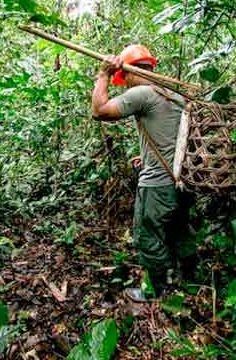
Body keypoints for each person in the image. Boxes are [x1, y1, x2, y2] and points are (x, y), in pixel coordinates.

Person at [91, 44, 196, 302]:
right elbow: (174, 137)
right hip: (182, 180)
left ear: (132, 71)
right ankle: (189, 281)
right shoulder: (173, 94)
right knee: (179, 231)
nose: (124, 84)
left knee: (148, 236)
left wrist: (103, 75)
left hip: (157, 185)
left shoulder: (142, 93)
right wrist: (147, 154)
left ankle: (155, 290)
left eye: (124, 78)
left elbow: (99, 111)